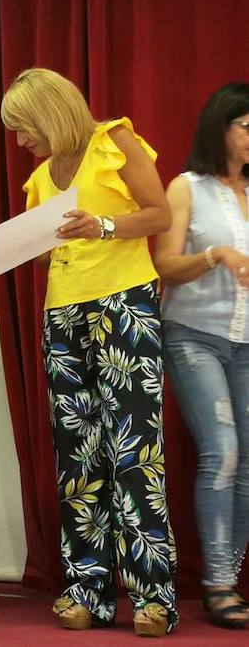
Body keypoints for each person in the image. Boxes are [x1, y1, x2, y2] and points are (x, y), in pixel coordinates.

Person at [1, 67, 177, 636]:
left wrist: (100, 224)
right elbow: (49, 246)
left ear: (50, 114)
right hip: (64, 313)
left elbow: (159, 214)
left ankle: (154, 597)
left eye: (25, 128)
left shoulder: (115, 141)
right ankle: (88, 589)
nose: (21, 141)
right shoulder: (40, 176)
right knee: (78, 457)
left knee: (134, 452)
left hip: (125, 306)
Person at [154, 83, 249, 629]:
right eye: (247, 127)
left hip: (247, 342)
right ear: (222, 127)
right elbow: (165, 266)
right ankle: (218, 584)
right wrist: (215, 255)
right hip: (194, 336)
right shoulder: (186, 186)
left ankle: (228, 577)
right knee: (224, 449)